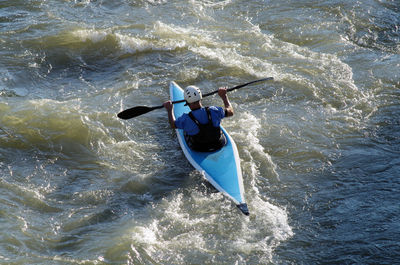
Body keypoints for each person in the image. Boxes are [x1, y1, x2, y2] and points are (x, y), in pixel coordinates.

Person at [163, 85, 234, 152]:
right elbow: (230, 112)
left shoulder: (185, 119)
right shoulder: (214, 110)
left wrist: (169, 110)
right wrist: (224, 96)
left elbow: (173, 125)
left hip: (199, 148)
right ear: (200, 98)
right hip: (218, 144)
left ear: (187, 102)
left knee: (185, 129)